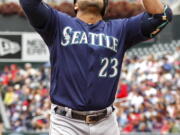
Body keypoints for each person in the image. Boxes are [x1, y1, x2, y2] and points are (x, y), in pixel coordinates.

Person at [19, 0, 173, 134]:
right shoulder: (57, 23)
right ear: (76, 5)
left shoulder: (121, 29)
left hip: (106, 123)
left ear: (104, 7)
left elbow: (162, 16)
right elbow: (29, 3)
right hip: (66, 123)